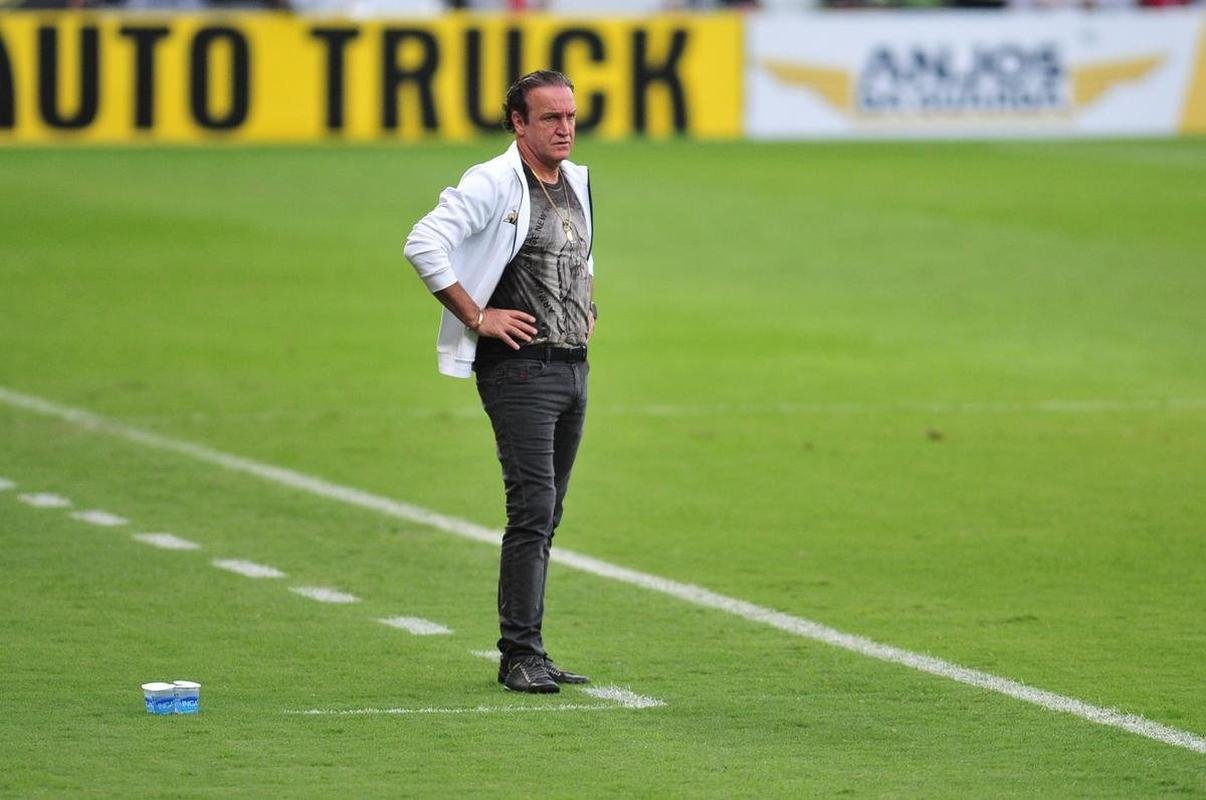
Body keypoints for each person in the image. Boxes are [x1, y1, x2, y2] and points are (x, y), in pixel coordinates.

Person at [403, 70, 597, 694]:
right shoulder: (493, 181)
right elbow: (424, 241)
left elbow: (578, 253)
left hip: (571, 367)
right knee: (533, 507)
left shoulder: (576, 182)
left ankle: (531, 648)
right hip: (519, 370)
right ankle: (519, 653)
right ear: (518, 122)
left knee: (549, 510)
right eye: (549, 118)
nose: (564, 127)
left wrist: (587, 303)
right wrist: (476, 315)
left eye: (570, 115)